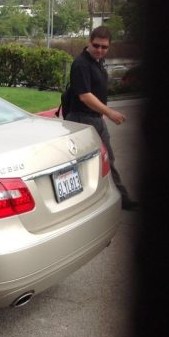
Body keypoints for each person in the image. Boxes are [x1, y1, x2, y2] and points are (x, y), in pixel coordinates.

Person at [66, 26, 139, 210]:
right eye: (96, 45)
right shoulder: (81, 64)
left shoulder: (97, 62)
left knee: (106, 160)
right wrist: (109, 112)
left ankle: (119, 198)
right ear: (89, 42)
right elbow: (84, 95)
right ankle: (93, 202)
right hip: (82, 120)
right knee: (84, 165)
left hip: (95, 119)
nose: (100, 50)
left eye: (104, 47)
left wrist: (101, 114)